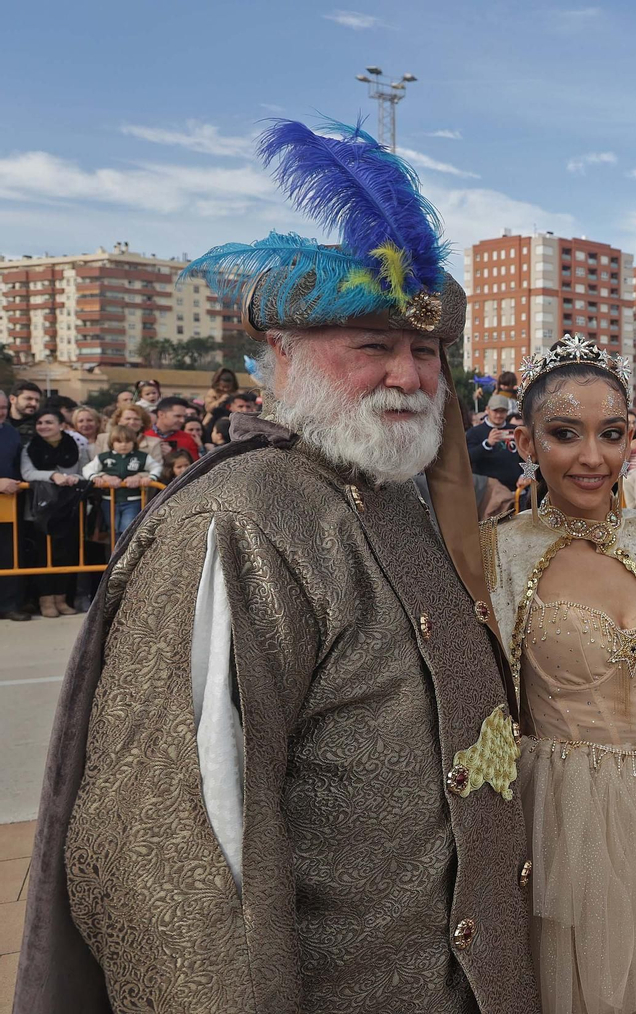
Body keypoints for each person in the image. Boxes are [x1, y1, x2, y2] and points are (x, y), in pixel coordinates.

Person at [14, 119, 537, 1014]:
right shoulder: (241, 520)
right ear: (280, 357)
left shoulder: (400, 495)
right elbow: (174, 850)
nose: (408, 376)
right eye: (372, 347)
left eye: (423, 350)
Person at [443, 334, 636, 1013]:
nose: (592, 457)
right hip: (560, 820)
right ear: (525, 442)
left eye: (611, 434)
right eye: (565, 434)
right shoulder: (497, 554)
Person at [20, 408, 90, 617]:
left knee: (65, 553)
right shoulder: (30, 447)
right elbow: (27, 472)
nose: (43, 426)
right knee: (43, 555)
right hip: (42, 509)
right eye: (40, 423)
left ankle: (61, 599)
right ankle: (46, 600)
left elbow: (86, 469)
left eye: (48, 422)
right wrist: (53, 475)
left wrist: (76, 478)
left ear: (61, 425)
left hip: (68, 508)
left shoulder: (76, 445)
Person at [84, 423, 157, 540]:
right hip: (109, 500)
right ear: (112, 443)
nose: (123, 445)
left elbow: (156, 467)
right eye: (119, 441)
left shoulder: (141, 456)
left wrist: (149, 477)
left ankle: (125, 554)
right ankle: (115, 554)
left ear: (134, 442)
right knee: (113, 529)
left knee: (127, 528)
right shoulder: (103, 457)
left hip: (132, 500)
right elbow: (87, 469)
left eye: (127, 442)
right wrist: (96, 477)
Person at [0, 392, 30, 622]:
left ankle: (10, 604)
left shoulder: (10, 432)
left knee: (9, 555)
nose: (0, 412)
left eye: (2, 407)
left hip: (8, 505)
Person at [467, 393, 523, 492]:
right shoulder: (475, 432)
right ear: (487, 409)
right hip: (487, 492)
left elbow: (527, 456)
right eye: (495, 411)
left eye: (503, 411)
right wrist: (487, 444)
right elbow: (468, 458)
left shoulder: (516, 430)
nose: (499, 415)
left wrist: (525, 475)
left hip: (516, 489)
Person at [148, 395, 202, 461]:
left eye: (184, 417)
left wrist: (172, 455)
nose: (182, 420)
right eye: (178, 416)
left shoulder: (188, 439)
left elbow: (194, 467)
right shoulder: (144, 435)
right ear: (161, 414)